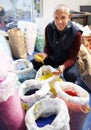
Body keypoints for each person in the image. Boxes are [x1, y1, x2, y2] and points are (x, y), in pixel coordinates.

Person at [31, 4, 83, 83]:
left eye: (63, 17)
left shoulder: (76, 33)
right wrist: (45, 54)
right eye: (56, 18)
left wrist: (63, 66)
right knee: (34, 63)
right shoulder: (48, 28)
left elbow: (72, 58)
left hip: (67, 60)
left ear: (69, 17)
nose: (59, 22)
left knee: (71, 75)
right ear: (53, 17)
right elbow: (48, 47)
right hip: (54, 57)